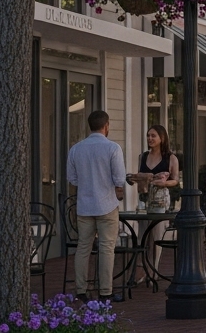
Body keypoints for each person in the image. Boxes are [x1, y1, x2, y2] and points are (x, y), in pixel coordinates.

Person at [65, 110, 125, 303]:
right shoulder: (113, 148)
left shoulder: (76, 149)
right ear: (106, 125)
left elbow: (72, 179)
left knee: (83, 247)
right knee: (107, 248)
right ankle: (105, 291)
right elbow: (119, 179)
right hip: (107, 204)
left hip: (84, 205)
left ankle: (81, 290)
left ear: (88, 125)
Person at [128, 124, 178, 282]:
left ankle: (153, 271)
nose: (150, 138)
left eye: (153, 136)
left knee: (156, 236)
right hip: (143, 200)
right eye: (148, 135)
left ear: (162, 138)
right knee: (143, 235)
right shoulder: (143, 156)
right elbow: (139, 177)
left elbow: (176, 180)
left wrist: (164, 183)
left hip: (160, 201)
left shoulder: (171, 158)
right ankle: (141, 269)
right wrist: (133, 178)